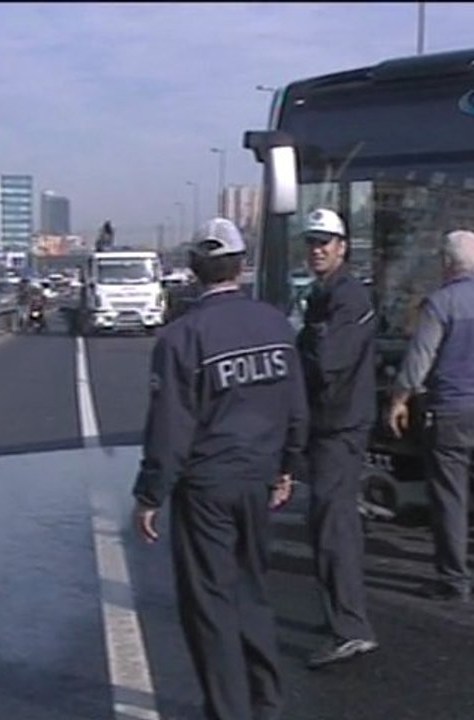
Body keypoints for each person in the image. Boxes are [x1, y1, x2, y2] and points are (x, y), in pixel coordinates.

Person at [132, 217, 307, 720]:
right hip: (259, 478)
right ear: (241, 265)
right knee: (252, 591)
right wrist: (288, 467)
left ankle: (228, 710)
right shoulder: (275, 324)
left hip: (207, 484)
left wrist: (151, 494)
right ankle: (267, 702)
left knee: (210, 605)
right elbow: (296, 405)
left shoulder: (182, 337)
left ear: (193, 270)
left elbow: (170, 428)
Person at [387, 230, 474, 602]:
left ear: (447, 263)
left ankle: (454, 579)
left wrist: (399, 399)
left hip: (450, 411)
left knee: (450, 498)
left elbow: (419, 359)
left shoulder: (441, 304)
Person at [294, 208, 380, 668]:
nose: (317, 249)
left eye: (326, 241)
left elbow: (327, 361)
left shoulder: (347, 298)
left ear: (343, 246)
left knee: (334, 527)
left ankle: (350, 628)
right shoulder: (324, 295)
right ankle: (341, 618)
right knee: (326, 522)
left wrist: (301, 348)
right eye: (312, 241)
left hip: (340, 426)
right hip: (329, 424)